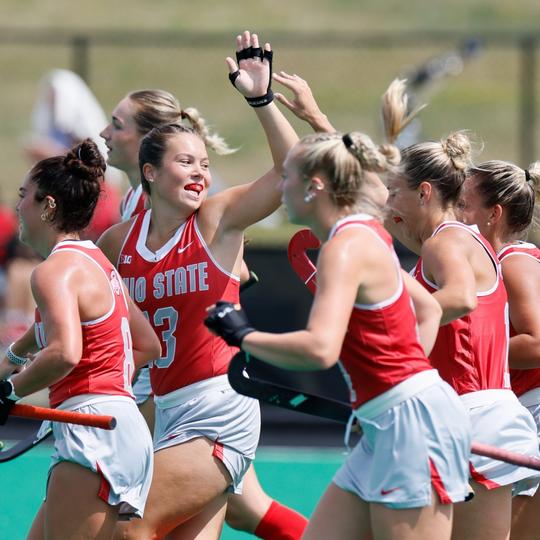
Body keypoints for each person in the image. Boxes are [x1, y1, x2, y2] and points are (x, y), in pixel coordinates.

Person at [205, 123, 474, 539]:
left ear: (314, 187)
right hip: (389, 418)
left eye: (287, 178)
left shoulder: (343, 248)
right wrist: (389, 391)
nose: (282, 189)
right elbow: (422, 311)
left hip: (411, 425)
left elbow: (320, 349)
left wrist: (243, 335)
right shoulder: (367, 233)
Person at [97, 31, 300, 539]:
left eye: (204, 164)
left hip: (218, 408)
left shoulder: (216, 220)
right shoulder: (119, 241)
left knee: (131, 525)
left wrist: (261, 98)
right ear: (150, 172)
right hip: (166, 409)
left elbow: (289, 172)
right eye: (186, 162)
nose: (201, 174)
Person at [382, 80, 540, 540]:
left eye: (466, 204)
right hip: (483, 413)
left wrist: (400, 336)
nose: (390, 202)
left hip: (486, 412)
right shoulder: (458, 244)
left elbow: (463, 303)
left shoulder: (483, 251)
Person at [0, 139, 160, 539]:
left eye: (24, 196)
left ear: (48, 206)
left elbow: (65, 352)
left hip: (93, 433)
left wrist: (8, 390)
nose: (17, 207)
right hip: (119, 430)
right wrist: (18, 355)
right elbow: (146, 345)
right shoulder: (96, 262)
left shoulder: (52, 272)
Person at [458, 159, 540, 540]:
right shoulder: (484, 264)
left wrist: (470, 354)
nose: (455, 212)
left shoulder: (512, 260)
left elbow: (537, 342)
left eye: (463, 203)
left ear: (494, 214)